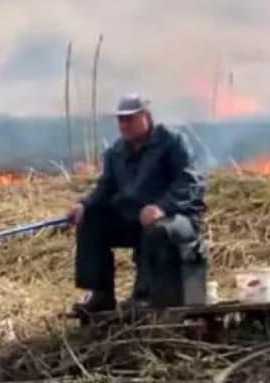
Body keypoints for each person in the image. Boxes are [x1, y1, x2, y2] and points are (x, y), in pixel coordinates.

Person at [67, 94, 206, 313]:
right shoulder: (116, 152)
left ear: (146, 117)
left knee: (156, 230)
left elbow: (190, 181)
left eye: (130, 119)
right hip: (133, 221)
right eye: (120, 120)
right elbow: (106, 187)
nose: (124, 125)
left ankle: (143, 296)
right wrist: (84, 205)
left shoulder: (172, 142)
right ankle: (101, 295)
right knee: (92, 220)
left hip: (178, 218)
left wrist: (162, 207)